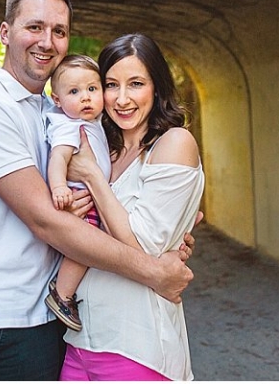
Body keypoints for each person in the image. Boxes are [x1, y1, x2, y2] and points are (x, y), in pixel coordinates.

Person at [0, 0, 197, 381]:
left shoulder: (55, 109)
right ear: (5, 33)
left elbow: (128, 206)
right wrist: (153, 271)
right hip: (4, 324)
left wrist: (174, 226)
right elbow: (47, 221)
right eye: (34, 27)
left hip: (54, 320)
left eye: (59, 31)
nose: (47, 41)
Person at [61, 33, 205, 381]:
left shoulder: (174, 143)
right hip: (79, 342)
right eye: (111, 85)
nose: (122, 99)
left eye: (136, 83)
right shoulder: (104, 150)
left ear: (157, 87)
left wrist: (93, 179)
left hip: (137, 346)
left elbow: (143, 244)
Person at [44, 54, 111, 331]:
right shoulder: (68, 126)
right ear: (57, 99)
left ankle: (67, 288)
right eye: (74, 92)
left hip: (94, 195)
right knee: (84, 249)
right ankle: (62, 295)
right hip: (81, 197)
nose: (86, 98)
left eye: (92, 89)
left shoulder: (92, 121)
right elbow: (58, 158)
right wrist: (59, 187)